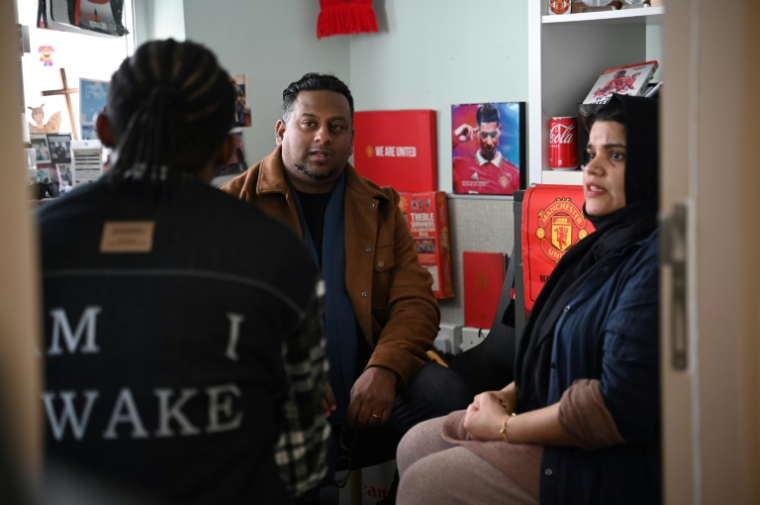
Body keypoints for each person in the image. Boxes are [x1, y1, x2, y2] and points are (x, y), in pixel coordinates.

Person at [37, 39, 329, 505]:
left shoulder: (25, 248)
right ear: (228, 147)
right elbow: (302, 462)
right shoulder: (278, 253)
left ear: (106, 129)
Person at [396, 94, 661, 505]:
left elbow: (614, 407)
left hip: (603, 463)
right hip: (550, 418)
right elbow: (562, 348)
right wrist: (509, 394)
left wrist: (504, 428)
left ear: (653, 165)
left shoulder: (655, 261)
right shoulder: (599, 247)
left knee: (427, 483)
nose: (591, 168)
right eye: (591, 153)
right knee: (414, 445)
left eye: (617, 155)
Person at [220, 72, 471, 499]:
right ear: (282, 130)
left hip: (367, 379)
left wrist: (385, 368)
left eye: (336, 127)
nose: (323, 137)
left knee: (448, 399)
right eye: (309, 123)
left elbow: (415, 302)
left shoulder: (381, 207)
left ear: (352, 137)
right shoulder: (232, 207)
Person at [452, 103, 521, 195]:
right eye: (484, 135)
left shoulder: (515, 174)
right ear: (477, 131)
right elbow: (432, 164)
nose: (489, 142)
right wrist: (455, 136)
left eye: (493, 135)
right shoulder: (459, 167)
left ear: (499, 130)